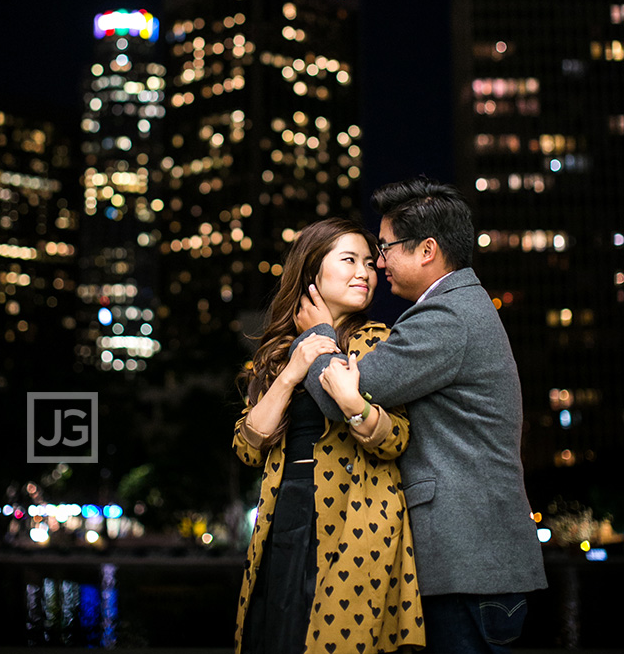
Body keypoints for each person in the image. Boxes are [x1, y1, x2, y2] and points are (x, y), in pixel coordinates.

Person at [295, 179, 547, 654]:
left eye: (385, 248)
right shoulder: (462, 307)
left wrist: (319, 334)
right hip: (478, 565)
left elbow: (337, 396)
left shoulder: (445, 319)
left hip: (467, 566)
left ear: (427, 249)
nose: (380, 262)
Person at [233, 217, 426, 654]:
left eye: (369, 262)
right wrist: (292, 371)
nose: (365, 271)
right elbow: (248, 447)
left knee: (337, 638)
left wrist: (323, 339)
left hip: (358, 513)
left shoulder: (380, 341)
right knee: (279, 631)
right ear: (311, 272)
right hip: (288, 508)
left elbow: (395, 438)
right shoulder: (278, 351)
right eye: (349, 260)